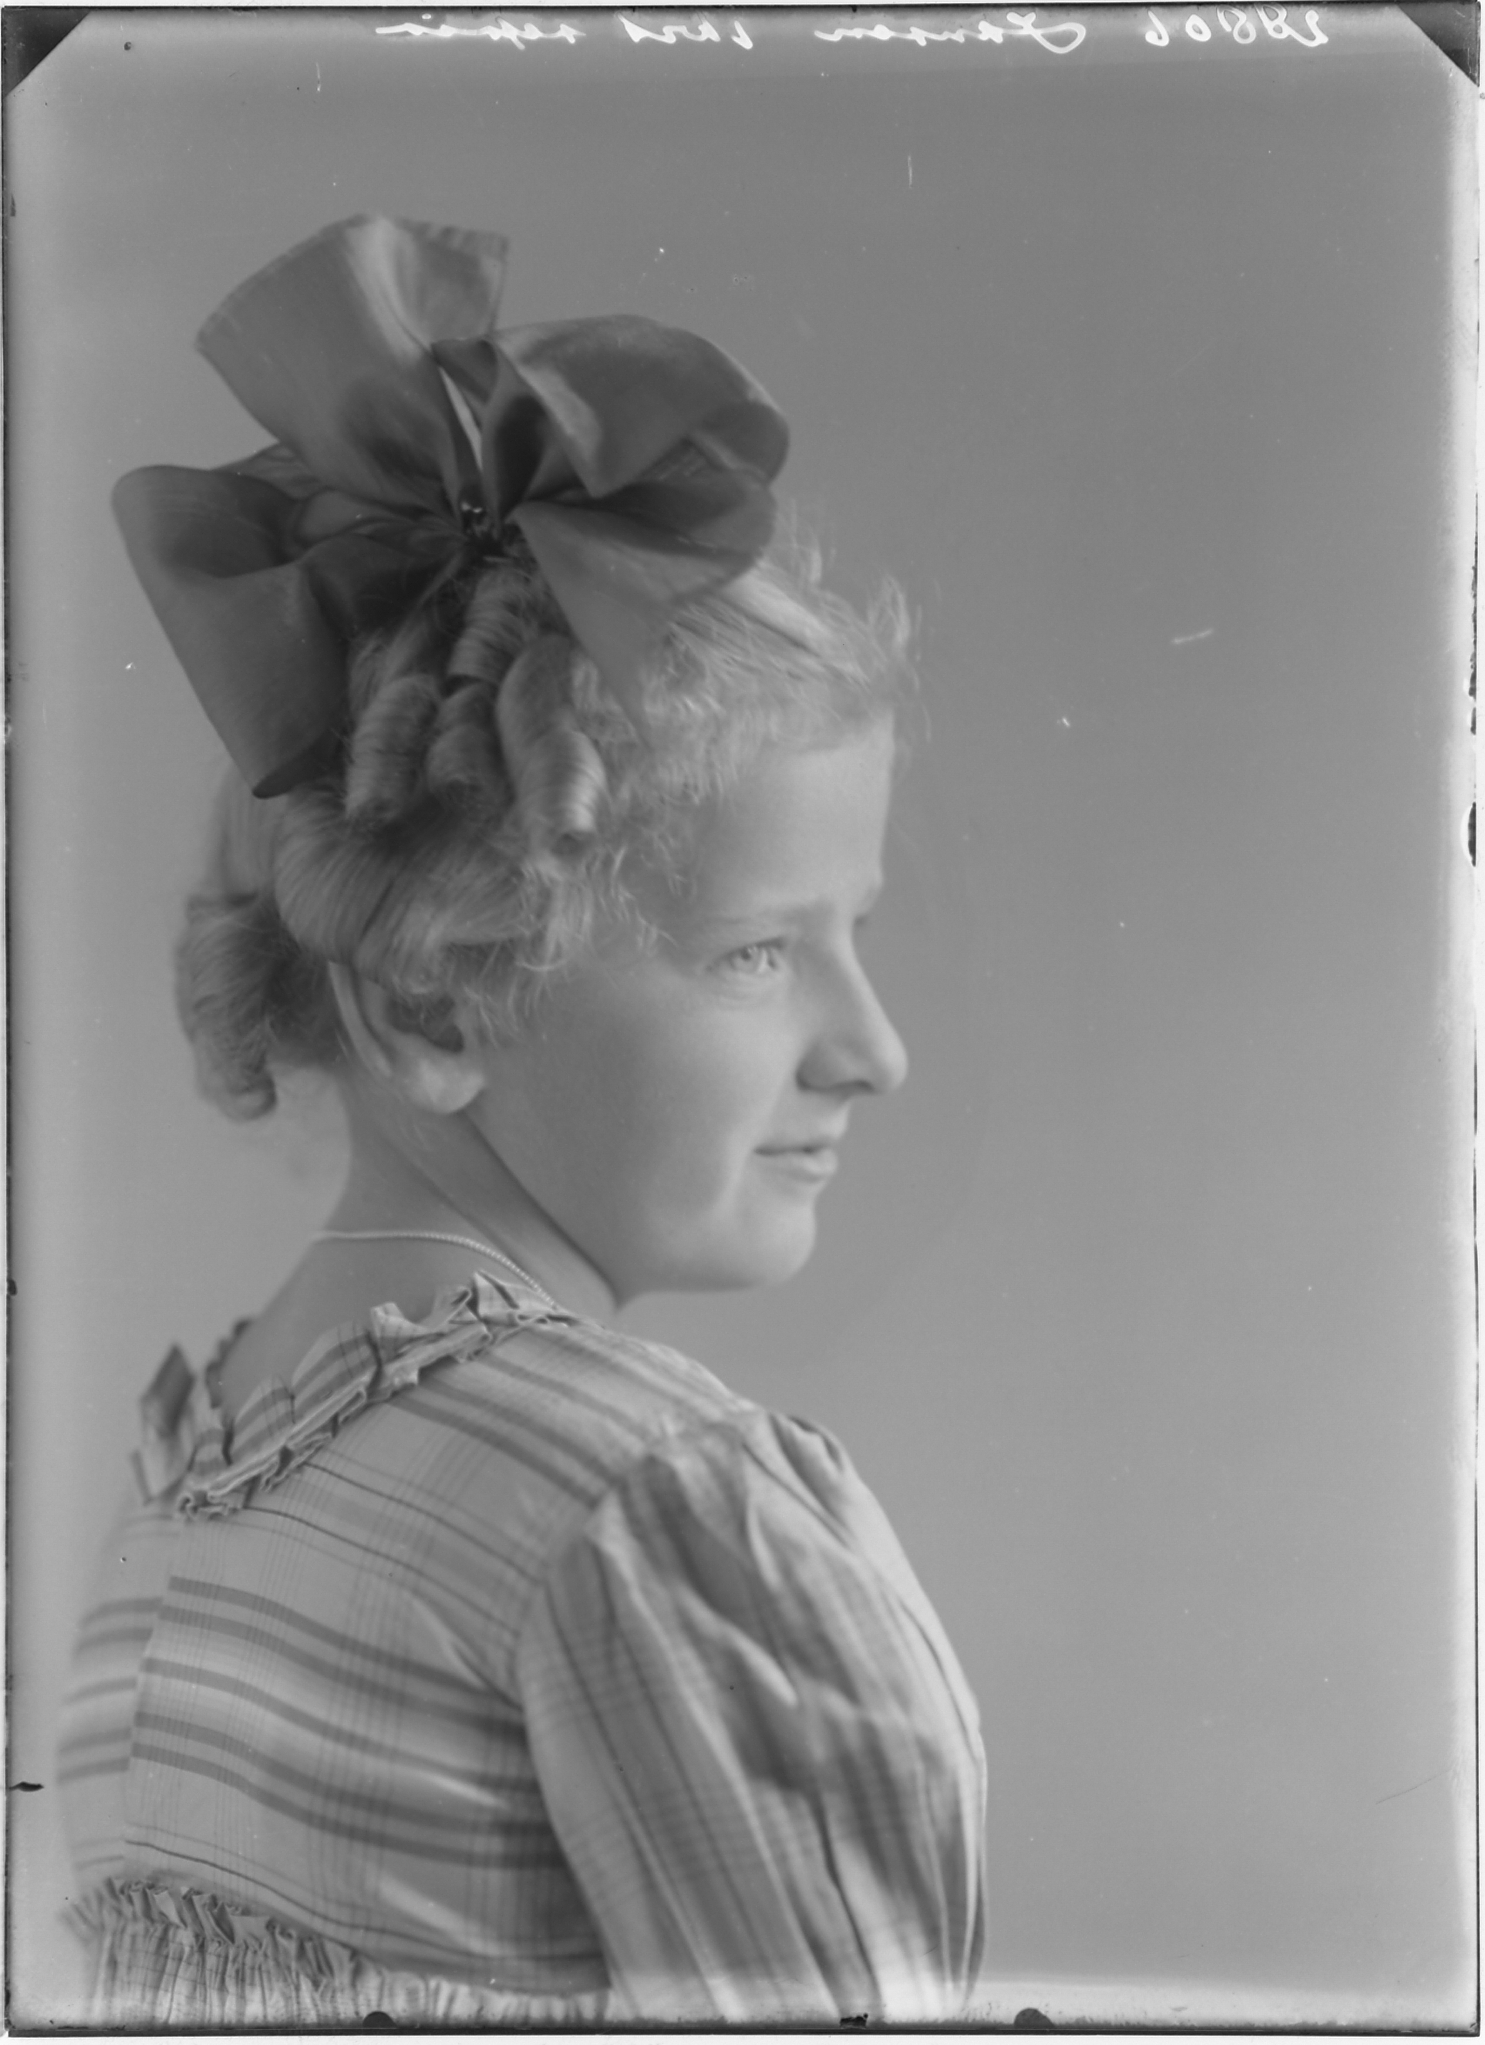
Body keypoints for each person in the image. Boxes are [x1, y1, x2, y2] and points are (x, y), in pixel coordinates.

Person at [57, 215, 987, 2028]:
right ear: (434, 998)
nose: (870, 1050)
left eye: (852, 938)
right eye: (753, 953)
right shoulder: (647, 1506)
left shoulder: (178, 1506)